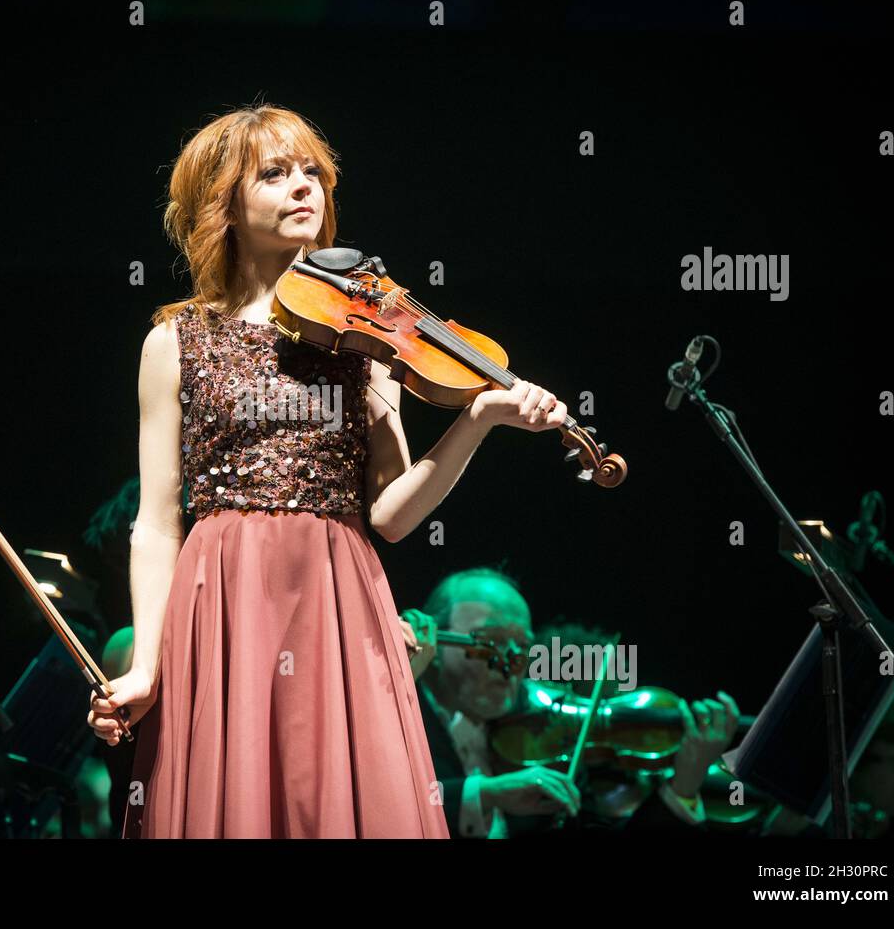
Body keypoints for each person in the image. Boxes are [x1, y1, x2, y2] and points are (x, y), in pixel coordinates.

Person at [86, 103, 571, 838]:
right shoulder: (174, 341)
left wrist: (476, 420)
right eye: (275, 174)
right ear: (225, 203)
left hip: (339, 592)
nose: (302, 187)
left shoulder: (367, 334)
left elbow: (394, 514)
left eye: (312, 172)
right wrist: (146, 663)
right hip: (223, 594)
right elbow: (156, 522)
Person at [403, 567, 741, 837]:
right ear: (436, 641)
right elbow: (394, 804)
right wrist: (485, 793)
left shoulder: (546, 737)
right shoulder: (399, 719)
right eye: (489, 641)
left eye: (522, 647)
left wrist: (686, 780)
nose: (510, 663)